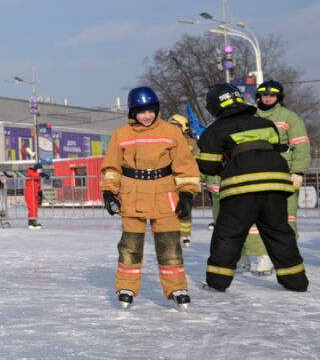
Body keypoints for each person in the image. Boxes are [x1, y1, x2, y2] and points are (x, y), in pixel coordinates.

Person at [196, 84, 308, 292]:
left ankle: (217, 282)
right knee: (279, 232)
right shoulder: (265, 122)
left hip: (242, 186)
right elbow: (276, 146)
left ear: (214, 106)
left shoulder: (215, 130)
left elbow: (208, 166)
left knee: (229, 233)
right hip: (276, 181)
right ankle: (297, 281)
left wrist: (226, 162)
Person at [100, 87, 200, 309]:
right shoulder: (121, 134)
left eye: (151, 111)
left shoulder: (171, 132)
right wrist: (109, 192)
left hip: (164, 194)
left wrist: (186, 193)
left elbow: (185, 166)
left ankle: (177, 287)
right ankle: (126, 286)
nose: (147, 116)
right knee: (130, 245)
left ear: (157, 110)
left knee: (170, 245)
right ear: (132, 113)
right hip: (131, 194)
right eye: (141, 112)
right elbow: (112, 167)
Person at [241, 81, 309, 275]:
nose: (268, 98)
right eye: (264, 95)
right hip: (256, 174)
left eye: (273, 95)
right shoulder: (250, 116)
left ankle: (287, 254)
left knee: (286, 216)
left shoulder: (289, 117)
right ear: (259, 97)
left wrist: (299, 171)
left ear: (279, 98)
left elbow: (301, 145)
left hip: (283, 175)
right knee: (255, 217)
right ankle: (262, 254)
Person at [167, 114, 201, 246]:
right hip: (169, 180)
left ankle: (184, 235)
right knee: (169, 209)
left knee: (185, 208)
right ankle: (171, 232)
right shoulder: (165, 142)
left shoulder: (191, 143)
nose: (173, 129)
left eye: (176, 126)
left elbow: (196, 159)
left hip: (186, 180)